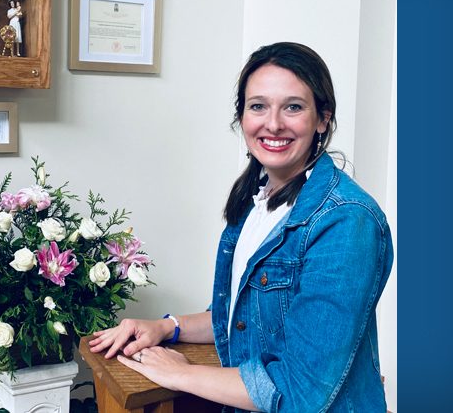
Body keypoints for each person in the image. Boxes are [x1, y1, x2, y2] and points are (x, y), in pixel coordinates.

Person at [89, 42, 394, 413]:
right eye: (258, 106)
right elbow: (248, 320)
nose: (273, 123)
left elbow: (299, 390)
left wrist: (180, 375)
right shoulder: (258, 199)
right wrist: (167, 327)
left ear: (322, 118)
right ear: (242, 116)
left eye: (293, 107)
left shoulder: (347, 221)